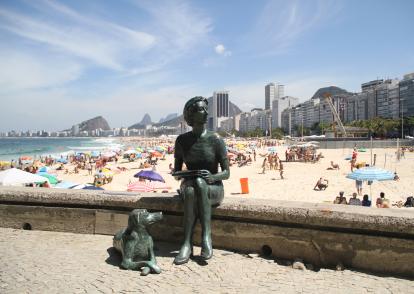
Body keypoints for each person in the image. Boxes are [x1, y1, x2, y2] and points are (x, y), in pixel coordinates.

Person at [172, 96, 230, 265]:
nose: (205, 113)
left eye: (206, 109)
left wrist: (212, 177)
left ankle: (190, 242)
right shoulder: (182, 141)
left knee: (197, 185)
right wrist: (189, 174)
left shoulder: (216, 139)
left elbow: (226, 173)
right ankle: (197, 241)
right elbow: (176, 173)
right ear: (190, 115)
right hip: (189, 186)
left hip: (214, 188)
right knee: (192, 187)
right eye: (200, 109)